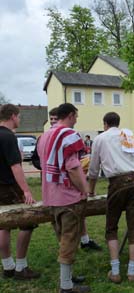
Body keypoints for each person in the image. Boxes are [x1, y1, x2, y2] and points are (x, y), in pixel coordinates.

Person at [37, 103, 90, 292]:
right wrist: (85, 189)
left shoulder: (44, 136)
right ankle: (66, 286)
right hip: (68, 196)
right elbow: (73, 167)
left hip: (51, 195)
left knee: (63, 238)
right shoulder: (68, 135)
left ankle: (67, 277)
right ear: (69, 115)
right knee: (69, 240)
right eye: (76, 116)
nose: (76, 120)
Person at [88, 112, 134, 283]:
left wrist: (91, 191)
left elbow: (93, 169)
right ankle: (132, 272)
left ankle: (115, 271)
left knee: (111, 227)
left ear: (105, 123)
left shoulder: (100, 139)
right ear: (118, 123)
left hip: (117, 183)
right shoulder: (127, 135)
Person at [0, 104, 40, 280]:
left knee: (3, 225)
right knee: (27, 222)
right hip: (9, 186)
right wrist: (26, 191)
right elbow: (16, 166)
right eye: (19, 116)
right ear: (13, 116)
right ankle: (21, 268)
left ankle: (8, 266)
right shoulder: (8, 137)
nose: (20, 119)